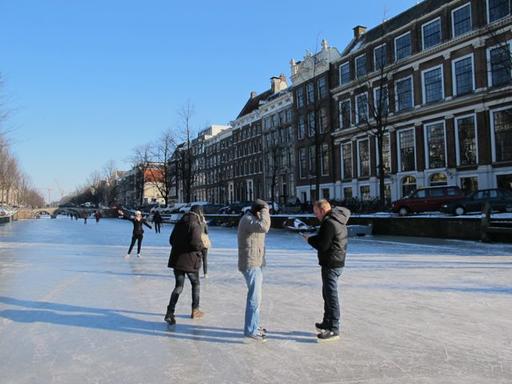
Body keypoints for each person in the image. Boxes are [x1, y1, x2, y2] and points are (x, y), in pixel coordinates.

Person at [302, 199, 350, 342]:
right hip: (336, 261)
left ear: (322, 210)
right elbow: (328, 239)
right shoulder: (336, 219)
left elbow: (323, 245)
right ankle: (327, 321)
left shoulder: (329, 222)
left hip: (331, 262)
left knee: (331, 295)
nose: (315, 216)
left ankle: (334, 328)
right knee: (327, 293)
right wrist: (313, 237)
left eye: (316, 213)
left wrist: (309, 240)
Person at [164, 206, 206, 325]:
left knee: (178, 286)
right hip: (191, 261)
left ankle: (170, 312)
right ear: (199, 213)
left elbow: (171, 240)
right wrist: (202, 246)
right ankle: (195, 310)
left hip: (177, 260)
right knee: (195, 284)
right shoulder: (195, 225)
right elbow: (195, 243)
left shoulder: (179, 223)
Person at [238, 199, 271, 342]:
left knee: (256, 298)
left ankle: (254, 326)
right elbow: (264, 227)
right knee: (254, 299)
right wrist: (265, 210)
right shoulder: (247, 220)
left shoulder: (252, 219)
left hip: (256, 262)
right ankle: (251, 329)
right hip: (250, 263)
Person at [190, 205, 210, 278]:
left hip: (197, 241)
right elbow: (207, 232)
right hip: (204, 242)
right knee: (205, 258)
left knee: (196, 258)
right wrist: (205, 224)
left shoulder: (194, 222)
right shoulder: (203, 223)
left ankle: (196, 272)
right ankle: (205, 273)